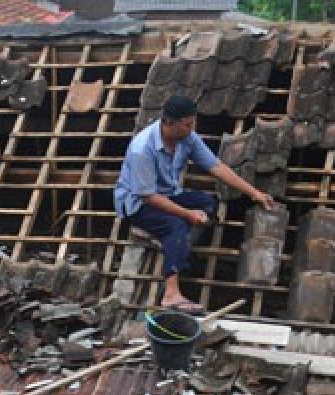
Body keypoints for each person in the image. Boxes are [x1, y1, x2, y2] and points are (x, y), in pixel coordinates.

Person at [114, 94, 274, 313]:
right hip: (137, 204)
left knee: (207, 202)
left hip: (168, 194)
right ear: (169, 123)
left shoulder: (187, 138)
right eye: (188, 124)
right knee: (176, 225)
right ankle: (171, 293)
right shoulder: (142, 149)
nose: (192, 128)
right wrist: (187, 214)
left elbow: (216, 167)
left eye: (193, 123)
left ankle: (180, 248)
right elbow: (148, 196)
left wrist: (254, 193)